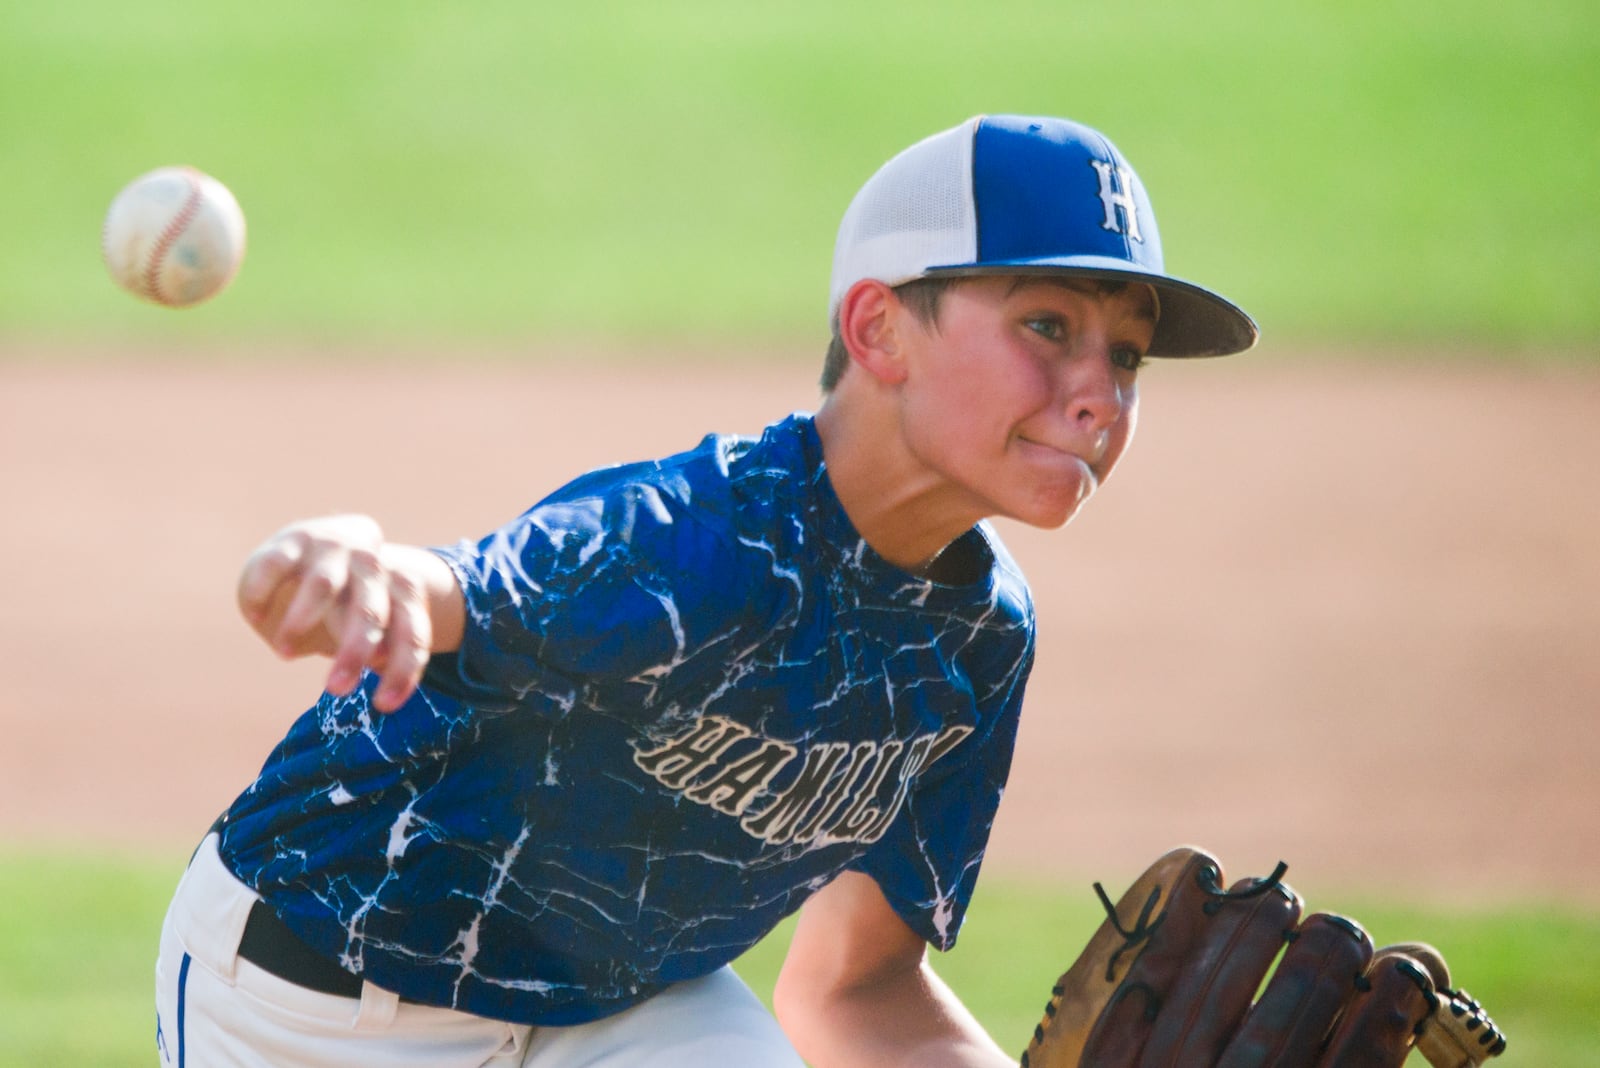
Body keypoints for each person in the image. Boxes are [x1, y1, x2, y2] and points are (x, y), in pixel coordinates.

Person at [153, 113, 1258, 1067]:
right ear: (878, 328)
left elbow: (854, 987)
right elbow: (465, 589)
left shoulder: (977, 642)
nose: (1099, 395)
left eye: (1126, 355)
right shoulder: (700, 539)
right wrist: (360, 569)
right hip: (314, 1005)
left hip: (624, 1009)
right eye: (1048, 327)